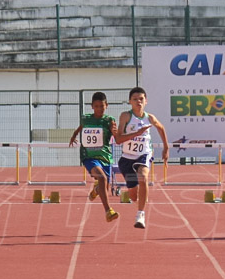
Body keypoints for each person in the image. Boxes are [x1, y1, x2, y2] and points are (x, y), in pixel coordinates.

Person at [113, 87, 169, 229]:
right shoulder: (125, 116)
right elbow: (119, 139)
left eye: (141, 99)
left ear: (146, 101)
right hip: (127, 157)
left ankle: (141, 215)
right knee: (133, 196)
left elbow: (161, 128)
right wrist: (137, 133)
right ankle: (136, 199)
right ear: (130, 102)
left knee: (143, 177)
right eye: (135, 99)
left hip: (144, 154)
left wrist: (166, 148)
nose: (138, 102)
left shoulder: (150, 118)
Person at [68, 91, 119, 222]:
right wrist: (73, 136)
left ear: (106, 105)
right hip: (89, 156)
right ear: (92, 106)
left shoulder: (109, 120)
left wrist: (115, 132)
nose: (99, 109)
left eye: (102, 106)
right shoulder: (86, 118)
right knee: (101, 178)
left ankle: (96, 190)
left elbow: (116, 136)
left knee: (104, 187)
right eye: (96, 106)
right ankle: (108, 211)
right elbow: (80, 128)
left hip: (105, 156)